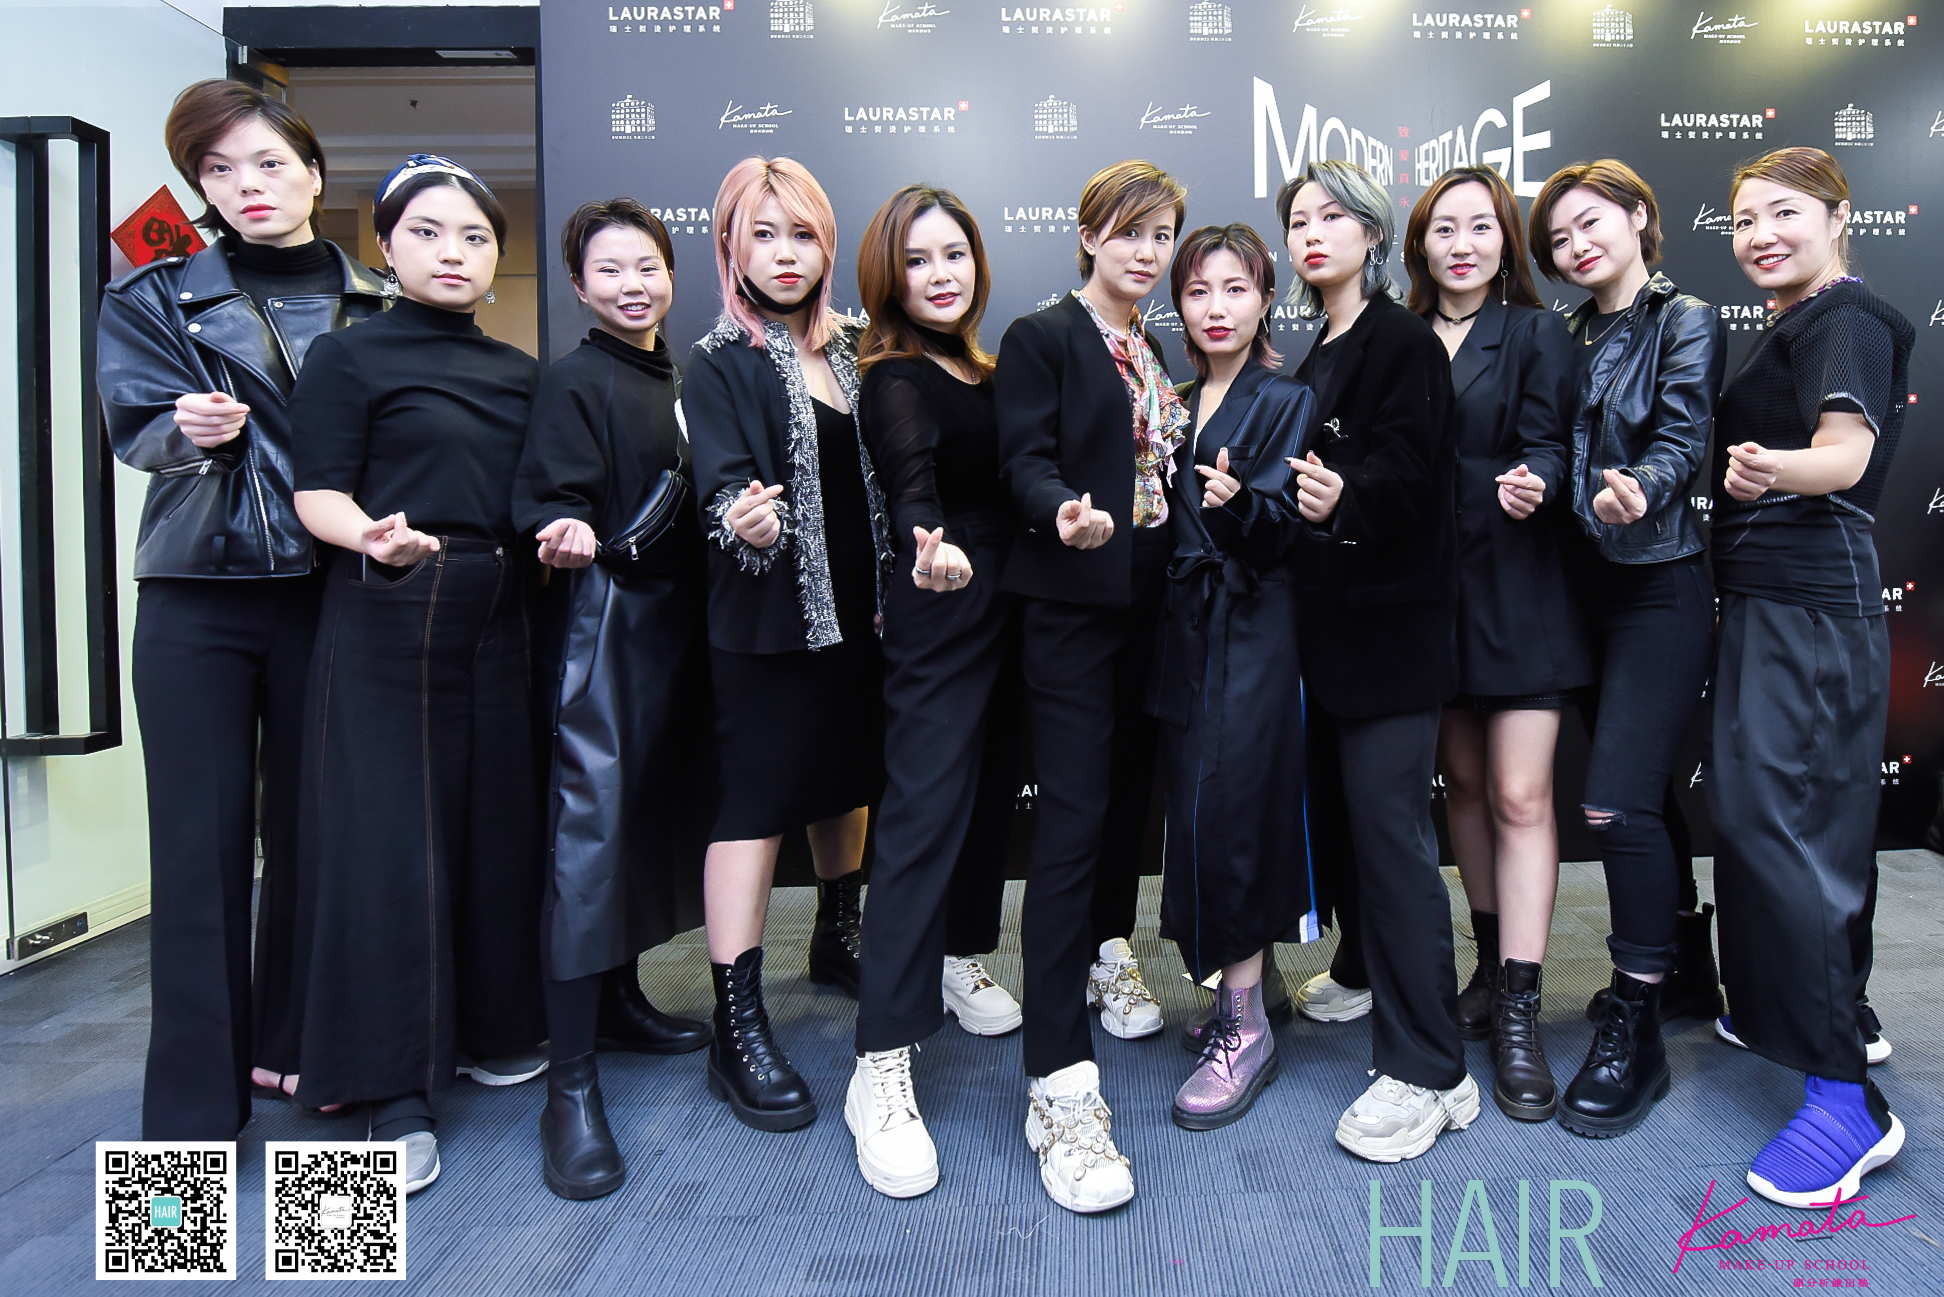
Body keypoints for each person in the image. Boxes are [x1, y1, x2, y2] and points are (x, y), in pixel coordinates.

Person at [97, 79, 390, 1141]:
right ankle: (187, 1124)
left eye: (268, 163)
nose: (246, 186)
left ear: (313, 172)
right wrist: (183, 430)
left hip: (331, 593)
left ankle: (307, 1055)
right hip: (199, 592)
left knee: (322, 840)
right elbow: (134, 426)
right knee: (199, 853)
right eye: (217, 170)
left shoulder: (380, 303)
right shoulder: (153, 294)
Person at [288, 155, 545, 1193]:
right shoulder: (347, 357)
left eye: (476, 237)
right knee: (393, 848)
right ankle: (393, 1091)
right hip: (389, 602)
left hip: (503, 606)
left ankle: (491, 1029)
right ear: (386, 248)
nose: (454, 252)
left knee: (497, 827)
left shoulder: (521, 370)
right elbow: (317, 492)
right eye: (429, 233)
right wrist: (372, 538)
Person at [1706, 147, 1912, 1207]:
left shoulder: (1847, 317)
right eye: (1745, 220)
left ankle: (1846, 1103)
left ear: (1839, 217)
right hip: (1770, 599)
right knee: (1773, 818)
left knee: (1792, 827)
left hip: (1813, 601)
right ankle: (1807, 1010)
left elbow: (1844, 457)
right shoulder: (1792, 321)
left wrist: (1766, 468)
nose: (1760, 235)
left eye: (1783, 213)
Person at [993, 159, 1186, 1212]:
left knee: (1125, 806)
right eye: (1128, 232)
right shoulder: (1045, 337)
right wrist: (1059, 508)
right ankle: (1057, 1077)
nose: (1146, 252)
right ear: (1087, 236)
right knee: (1070, 820)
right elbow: (1020, 459)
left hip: (1151, 603)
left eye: (1161, 235)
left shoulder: (1151, 346)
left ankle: (1110, 952)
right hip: (1071, 602)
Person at [514, 198, 715, 1200]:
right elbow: (548, 500)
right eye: (609, 270)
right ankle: (570, 1084)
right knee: (587, 850)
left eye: (647, 266)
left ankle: (622, 1002)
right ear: (578, 284)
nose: (632, 284)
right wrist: (562, 528)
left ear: (672, 274)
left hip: (679, 633)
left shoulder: (686, 378)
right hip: (601, 632)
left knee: (643, 831)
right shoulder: (573, 379)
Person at [685, 156, 891, 1133]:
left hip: (865, 618)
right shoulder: (719, 359)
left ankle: (838, 933)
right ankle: (735, 1021)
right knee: (755, 807)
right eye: (761, 234)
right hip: (767, 625)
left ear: (827, 245)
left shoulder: (857, 349)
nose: (783, 253)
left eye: (801, 234)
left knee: (847, 781)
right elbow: (723, 483)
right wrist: (747, 518)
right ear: (730, 244)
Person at [1280, 158, 1476, 1163]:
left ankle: (1433, 1070)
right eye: (1297, 220)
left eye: (1332, 216)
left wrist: (1342, 499)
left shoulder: (1403, 340)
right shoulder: (1317, 346)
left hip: (1391, 633)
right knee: (1358, 829)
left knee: (1394, 843)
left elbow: (1410, 477)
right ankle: (1362, 972)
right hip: (1329, 633)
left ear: (1371, 233)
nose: (1312, 232)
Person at [1529, 159, 1724, 1139]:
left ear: (1640, 215)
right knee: (1642, 796)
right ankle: (1685, 968)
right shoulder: (1563, 334)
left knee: (1611, 803)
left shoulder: (1684, 319)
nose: (1576, 246)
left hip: (1656, 583)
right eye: (1559, 237)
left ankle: (1637, 1023)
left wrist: (1642, 486)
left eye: (1591, 224)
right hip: (1577, 590)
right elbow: (1546, 442)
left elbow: (1684, 432)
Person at [845, 185, 1023, 1199]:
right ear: (890, 276)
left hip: (1012, 603)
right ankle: (879, 1057)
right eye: (917, 260)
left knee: (989, 792)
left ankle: (958, 955)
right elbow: (913, 488)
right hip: (942, 593)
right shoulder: (894, 374)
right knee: (919, 817)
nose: (940, 274)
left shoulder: (986, 369)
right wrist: (932, 544)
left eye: (954, 253)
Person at [1403, 166, 1588, 1124]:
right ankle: (1485, 965)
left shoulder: (1534, 332)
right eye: (1445, 228)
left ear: (1505, 240)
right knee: (1466, 786)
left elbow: (1553, 443)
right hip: (1426, 598)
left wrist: (1538, 481)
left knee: (1520, 792)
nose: (1463, 244)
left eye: (1481, 226)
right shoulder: (1396, 336)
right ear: (1420, 244)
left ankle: (1520, 1007)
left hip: (1517, 586)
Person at [1153, 223, 1319, 1132]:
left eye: (1235, 289)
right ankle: (1236, 993)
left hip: (1253, 626)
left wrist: (1243, 505)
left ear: (1265, 299)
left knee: (1236, 811)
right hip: (1184, 631)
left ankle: (1246, 1025)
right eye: (1197, 291)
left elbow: (1288, 525)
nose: (1216, 308)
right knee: (1194, 812)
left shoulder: (1286, 396)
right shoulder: (1173, 400)